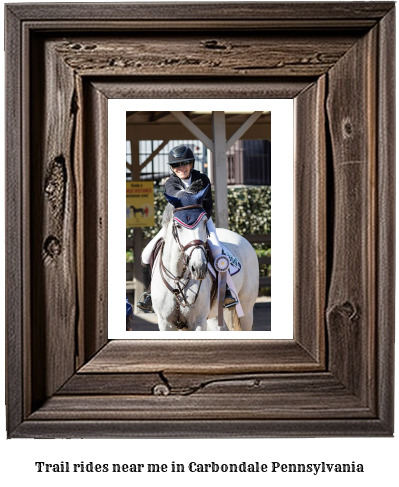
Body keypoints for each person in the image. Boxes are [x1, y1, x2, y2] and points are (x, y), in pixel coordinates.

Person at [137, 144, 238, 312]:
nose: (180, 167)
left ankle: (226, 290)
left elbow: (209, 206)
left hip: (201, 222)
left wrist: (201, 221)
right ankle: (148, 293)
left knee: (217, 250)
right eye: (176, 165)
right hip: (176, 225)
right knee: (146, 253)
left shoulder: (202, 179)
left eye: (184, 163)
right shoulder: (170, 182)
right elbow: (178, 200)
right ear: (172, 168)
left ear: (191, 163)